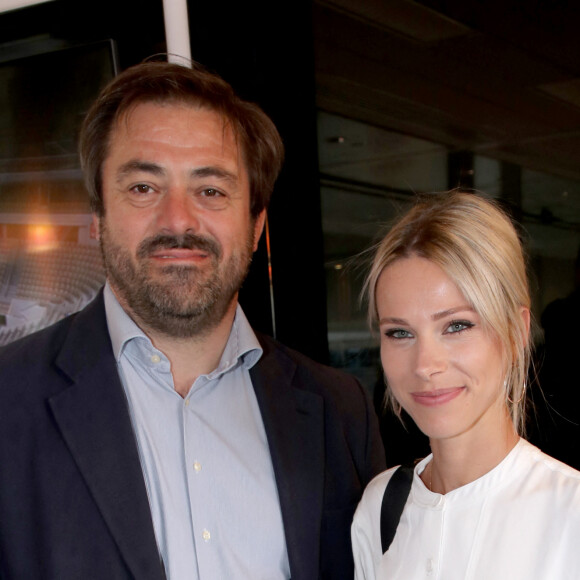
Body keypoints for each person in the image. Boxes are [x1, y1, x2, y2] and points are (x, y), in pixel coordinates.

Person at [0, 60, 385, 580]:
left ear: (255, 226)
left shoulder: (340, 412)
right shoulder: (8, 401)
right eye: (143, 187)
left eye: (211, 191)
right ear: (98, 218)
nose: (178, 219)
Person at [351, 191, 580, 579]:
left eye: (457, 326)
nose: (426, 365)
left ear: (516, 331)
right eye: (400, 332)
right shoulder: (380, 507)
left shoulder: (569, 512)